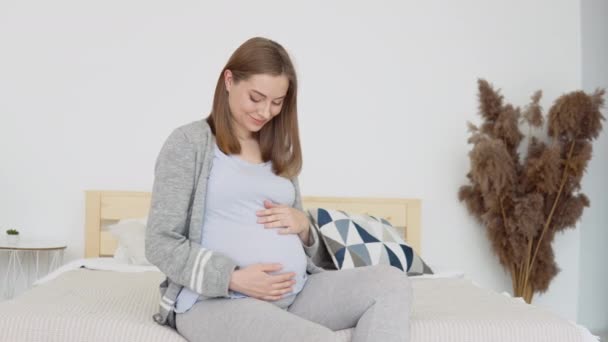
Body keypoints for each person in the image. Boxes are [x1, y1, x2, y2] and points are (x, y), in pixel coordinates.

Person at [145, 36, 413, 342]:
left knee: (391, 282)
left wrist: (305, 228)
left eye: (277, 102)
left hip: (297, 293)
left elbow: (304, 239)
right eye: (256, 98)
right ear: (229, 80)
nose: (265, 112)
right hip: (217, 302)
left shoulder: (279, 148)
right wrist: (232, 278)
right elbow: (160, 242)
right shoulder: (188, 143)